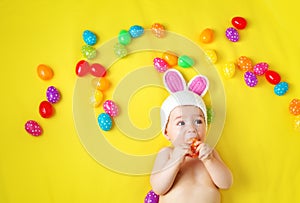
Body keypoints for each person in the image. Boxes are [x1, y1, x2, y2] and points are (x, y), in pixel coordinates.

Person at [150, 69, 232, 203]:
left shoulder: (209, 153)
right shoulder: (167, 153)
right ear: (166, 132)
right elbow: (158, 188)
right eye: (181, 122)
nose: (191, 129)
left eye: (198, 121)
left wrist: (210, 161)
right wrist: (174, 161)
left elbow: (226, 183)